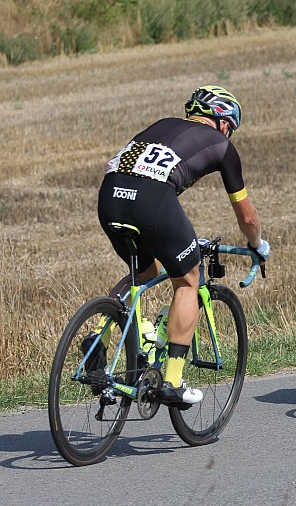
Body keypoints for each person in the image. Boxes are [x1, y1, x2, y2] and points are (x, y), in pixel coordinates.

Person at [94, 85, 270, 405]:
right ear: (219, 118)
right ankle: (173, 380)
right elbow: (247, 217)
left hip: (110, 196)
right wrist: (256, 243)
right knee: (188, 280)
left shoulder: (163, 125)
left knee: (143, 274)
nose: (229, 135)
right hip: (151, 200)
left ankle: (97, 340)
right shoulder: (221, 145)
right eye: (230, 126)